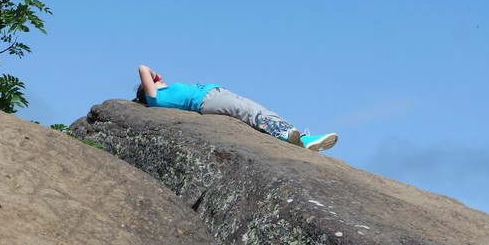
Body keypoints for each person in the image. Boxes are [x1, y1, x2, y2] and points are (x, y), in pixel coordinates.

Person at [134, 65, 338, 152]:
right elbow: (143, 68)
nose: (160, 79)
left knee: (260, 110)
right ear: (148, 89)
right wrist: (154, 77)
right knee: (248, 112)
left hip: (218, 92)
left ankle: (303, 140)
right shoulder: (156, 99)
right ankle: (283, 135)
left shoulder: (162, 92)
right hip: (207, 101)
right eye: (154, 81)